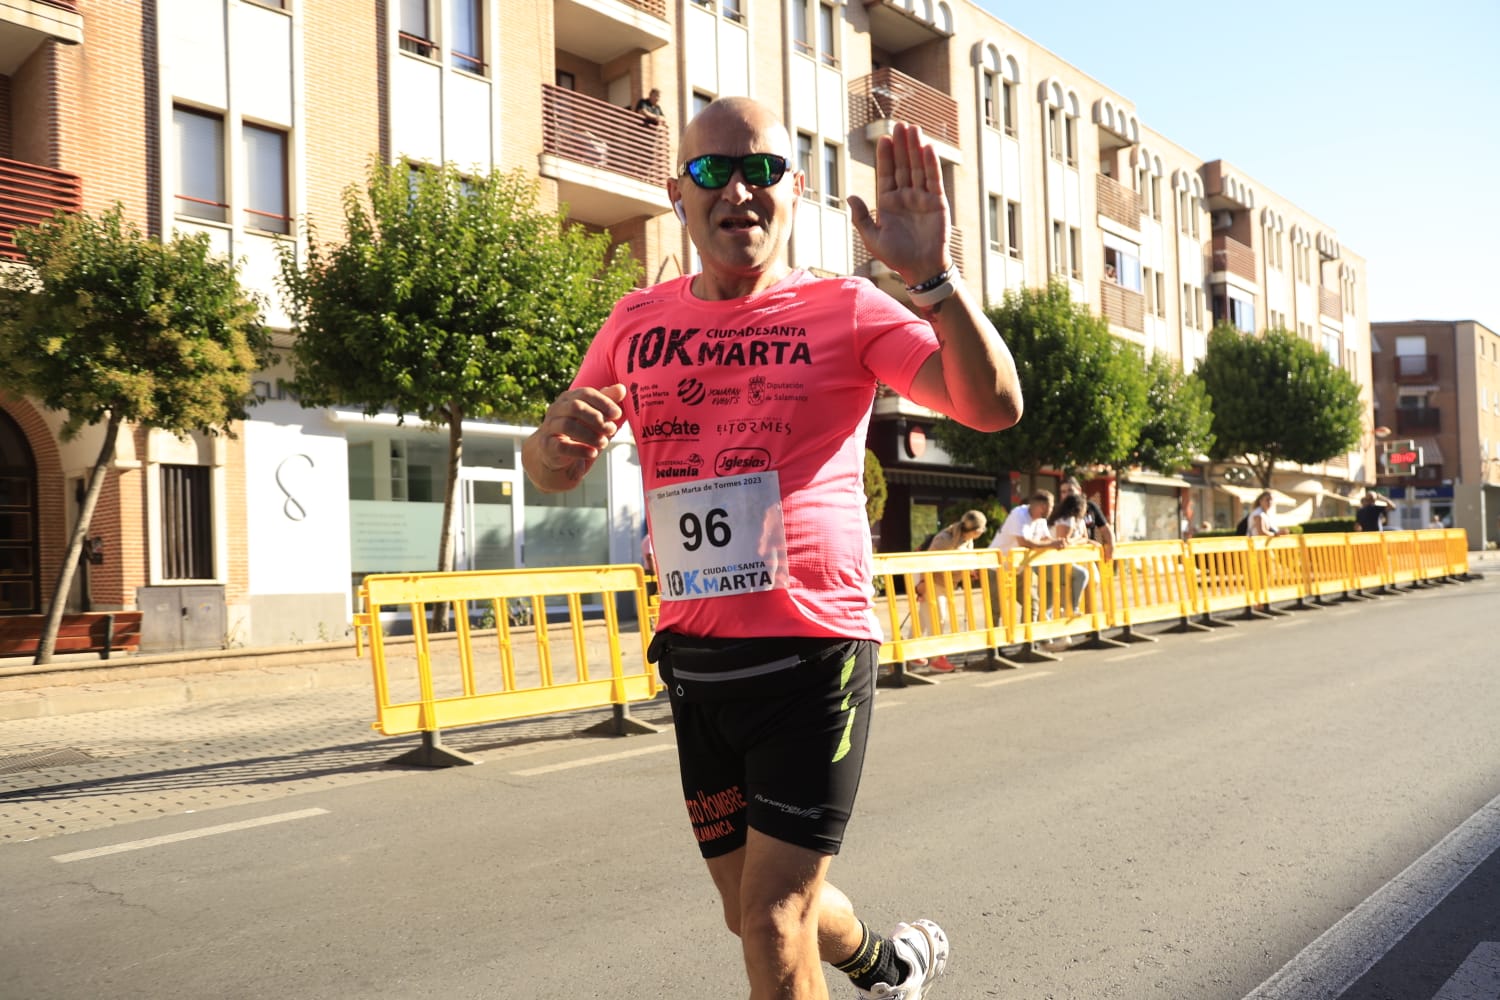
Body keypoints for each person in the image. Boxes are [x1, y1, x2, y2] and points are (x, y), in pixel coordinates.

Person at [522, 97, 1022, 1000]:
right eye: (713, 172)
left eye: (762, 172)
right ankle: (890, 963)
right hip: (698, 658)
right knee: (753, 910)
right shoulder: (635, 323)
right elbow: (552, 464)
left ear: (797, 189)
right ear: (678, 192)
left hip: (813, 650)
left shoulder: (849, 307)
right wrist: (549, 443)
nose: (739, 192)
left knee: (771, 921)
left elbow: (991, 407)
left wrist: (936, 281)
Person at [907, 509, 986, 673]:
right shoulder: (945, 539)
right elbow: (927, 561)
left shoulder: (966, 539)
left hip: (943, 581)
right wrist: (922, 583)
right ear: (977, 531)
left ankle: (910, 651)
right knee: (938, 617)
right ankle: (937, 658)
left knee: (924, 617)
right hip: (930, 578)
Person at [1057, 476, 1114, 561]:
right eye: (1063, 492)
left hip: (1087, 555)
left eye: (1070, 490)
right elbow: (1063, 540)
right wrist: (1087, 541)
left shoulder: (1090, 507)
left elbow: (1105, 529)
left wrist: (1111, 546)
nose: (1067, 494)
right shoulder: (1059, 511)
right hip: (1067, 557)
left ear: (1079, 490)